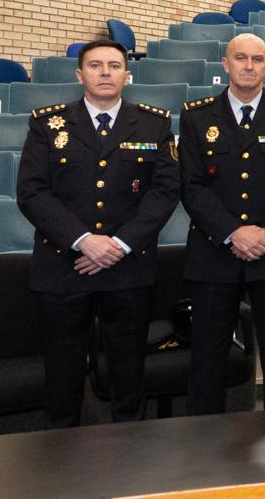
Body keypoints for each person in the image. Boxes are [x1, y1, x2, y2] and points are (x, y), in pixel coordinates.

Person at [15, 39, 179, 428]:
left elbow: (165, 191)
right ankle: (61, 464)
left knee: (128, 374)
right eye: (95, 65)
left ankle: (129, 464)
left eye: (113, 65)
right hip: (63, 267)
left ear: (127, 74)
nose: (105, 72)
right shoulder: (47, 123)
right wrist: (83, 241)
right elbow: (32, 191)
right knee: (62, 376)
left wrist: (120, 244)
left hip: (129, 268)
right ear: (79, 74)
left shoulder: (154, 123)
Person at [179, 33, 265, 413]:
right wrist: (231, 233)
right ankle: (203, 443)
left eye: (257, 59)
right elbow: (191, 186)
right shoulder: (196, 116)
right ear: (226, 64)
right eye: (240, 58)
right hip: (213, 254)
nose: (249, 66)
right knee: (207, 356)